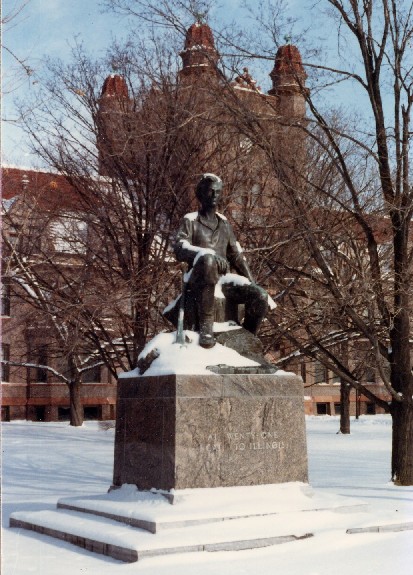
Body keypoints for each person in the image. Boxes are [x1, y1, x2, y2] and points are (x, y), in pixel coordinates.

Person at [173, 173, 268, 348]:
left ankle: (247, 339)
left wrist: (252, 283)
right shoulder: (191, 221)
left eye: (218, 192)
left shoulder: (224, 224)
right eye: (210, 192)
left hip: (223, 281)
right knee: (208, 259)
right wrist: (206, 254)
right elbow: (179, 247)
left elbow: (236, 256)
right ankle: (206, 327)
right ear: (201, 194)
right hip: (199, 281)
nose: (215, 196)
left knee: (261, 295)